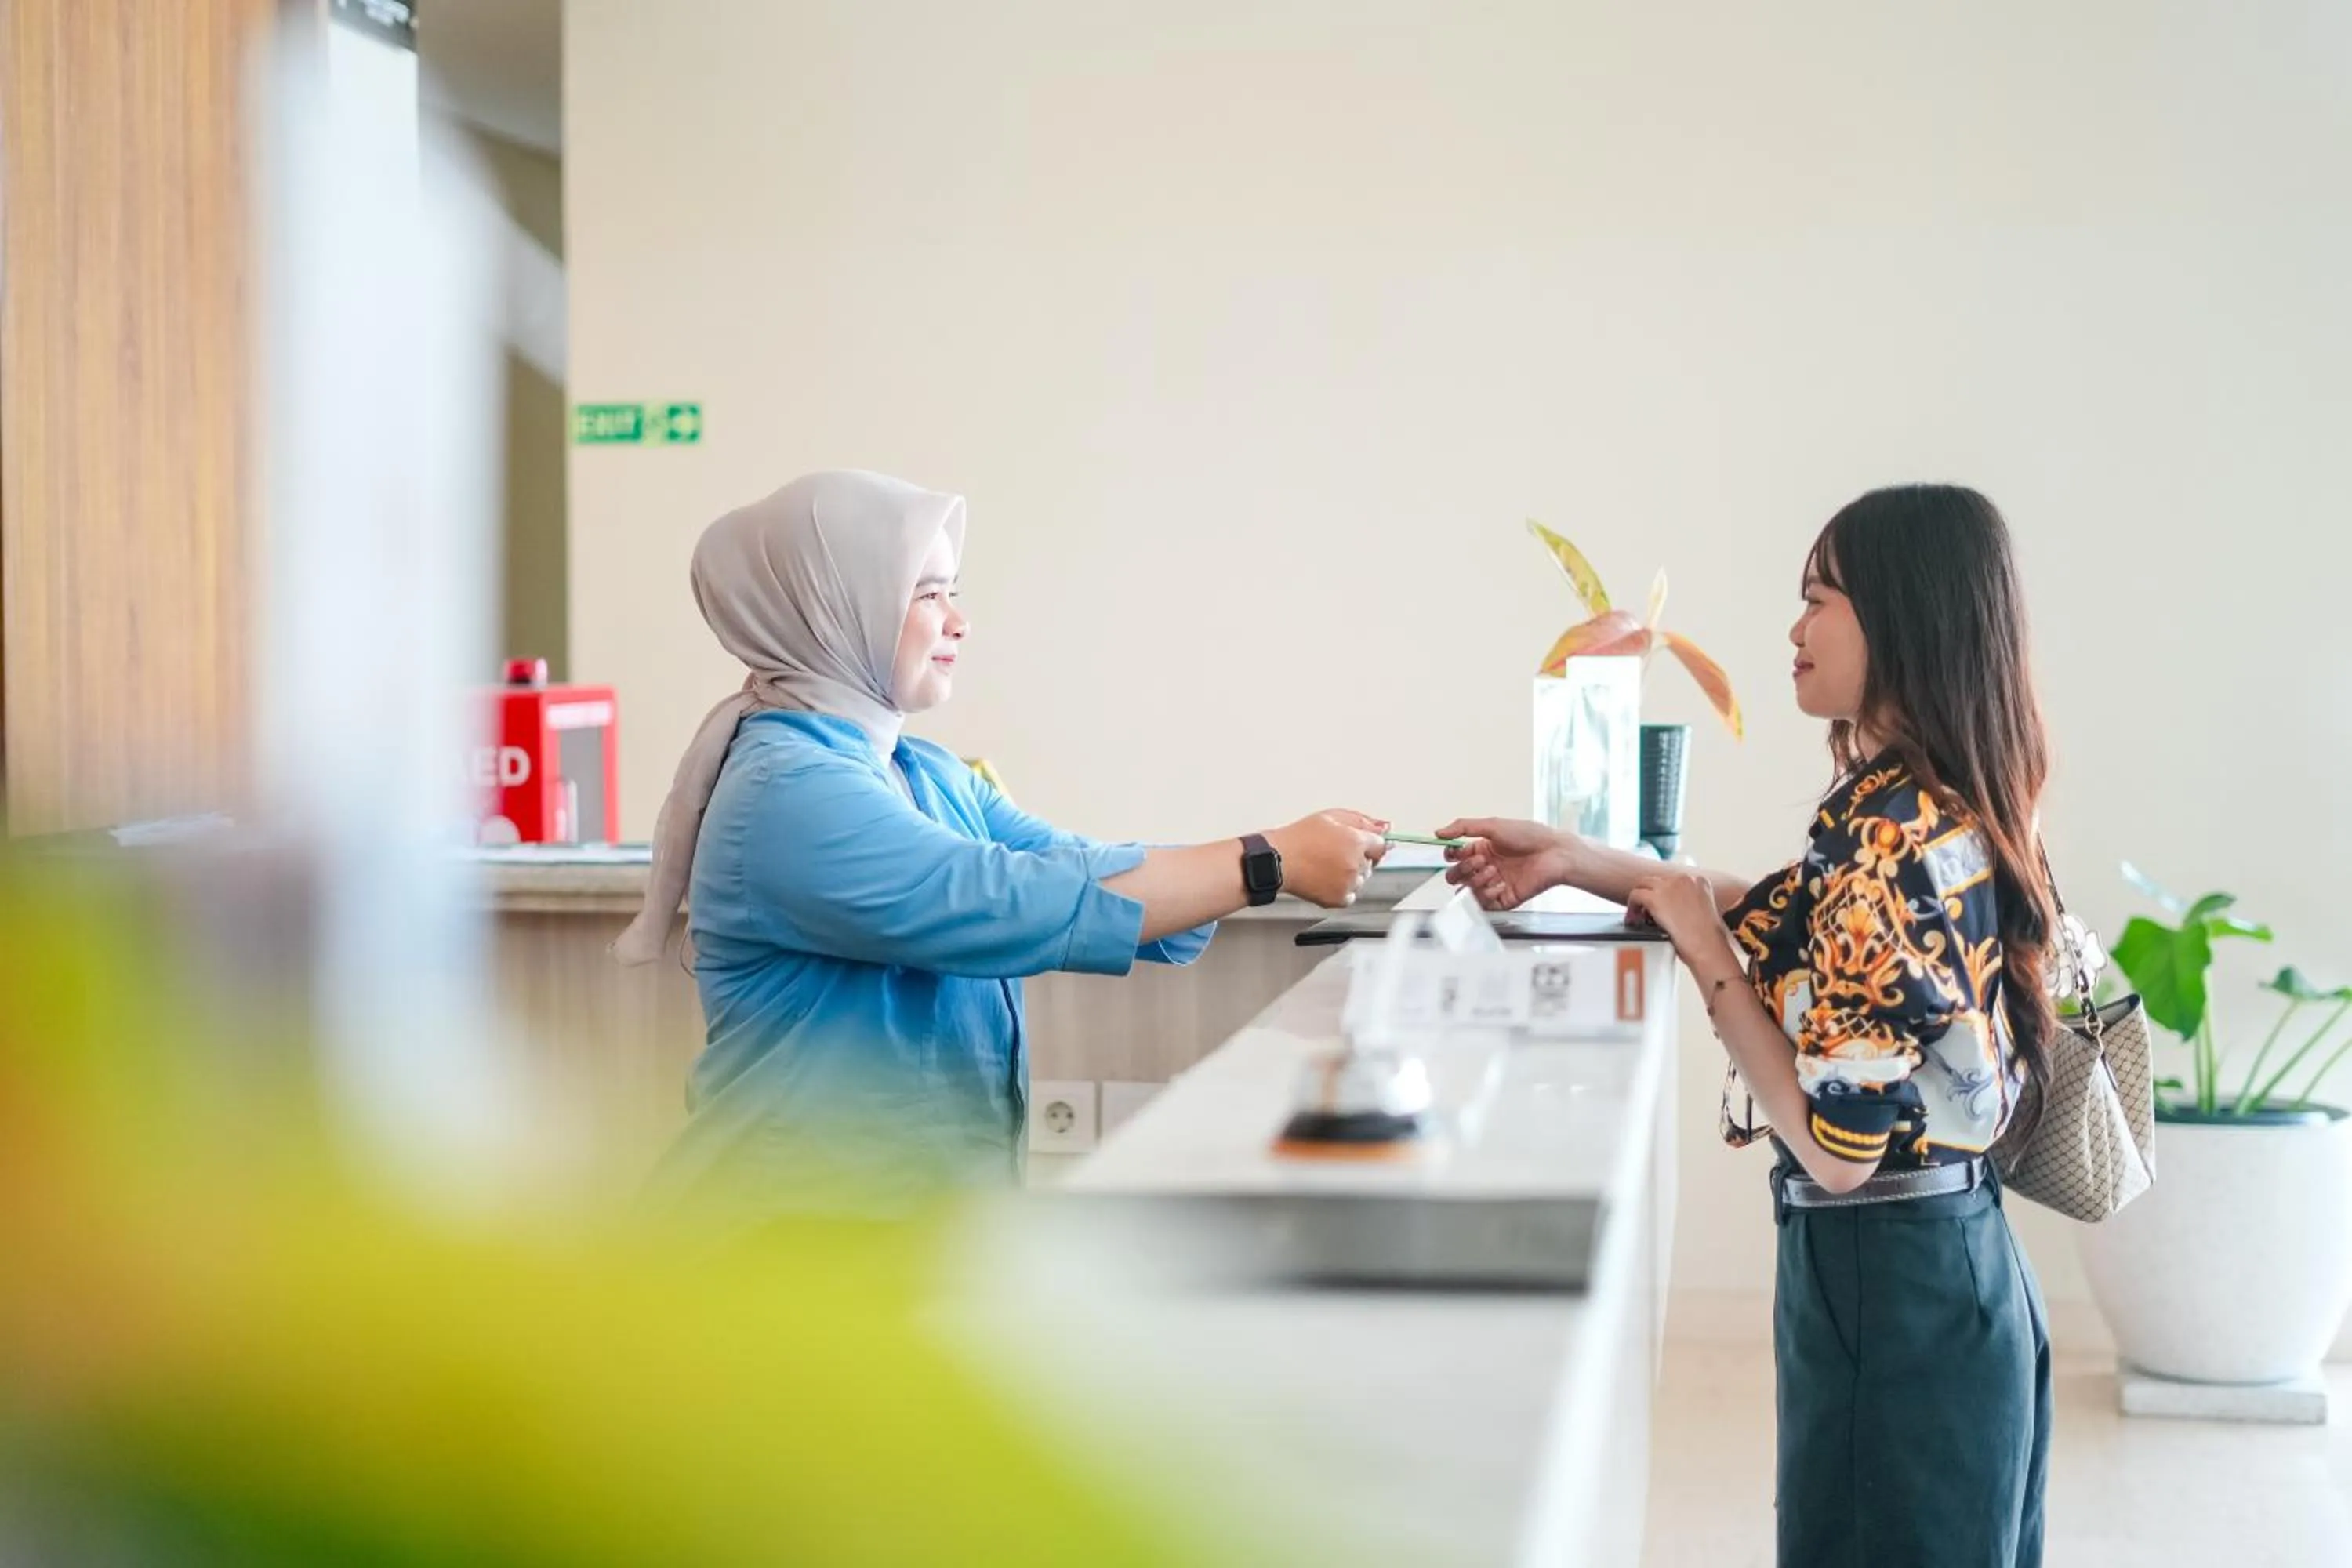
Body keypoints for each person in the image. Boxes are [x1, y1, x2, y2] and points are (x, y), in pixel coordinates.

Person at [1441, 485, 2055, 1566]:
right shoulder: (1936, 807)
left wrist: (1701, 952)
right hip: (1963, 1276)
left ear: (1903, 620)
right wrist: (1582, 861)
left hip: (1893, 1290)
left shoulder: (1880, 840)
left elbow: (1838, 1151)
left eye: (1820, 598)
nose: (1794, 629)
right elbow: (1785, 916)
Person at [615, 470, 1386, 1218]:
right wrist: (1269, 860)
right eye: (926, 593)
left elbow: (1079, 867)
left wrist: (1278, 855)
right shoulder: (789, 790)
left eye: (953, 590)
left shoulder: (922, 768)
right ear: (831, 609)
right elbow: (1012, 903)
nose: (959, 620)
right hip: (792, 1234)